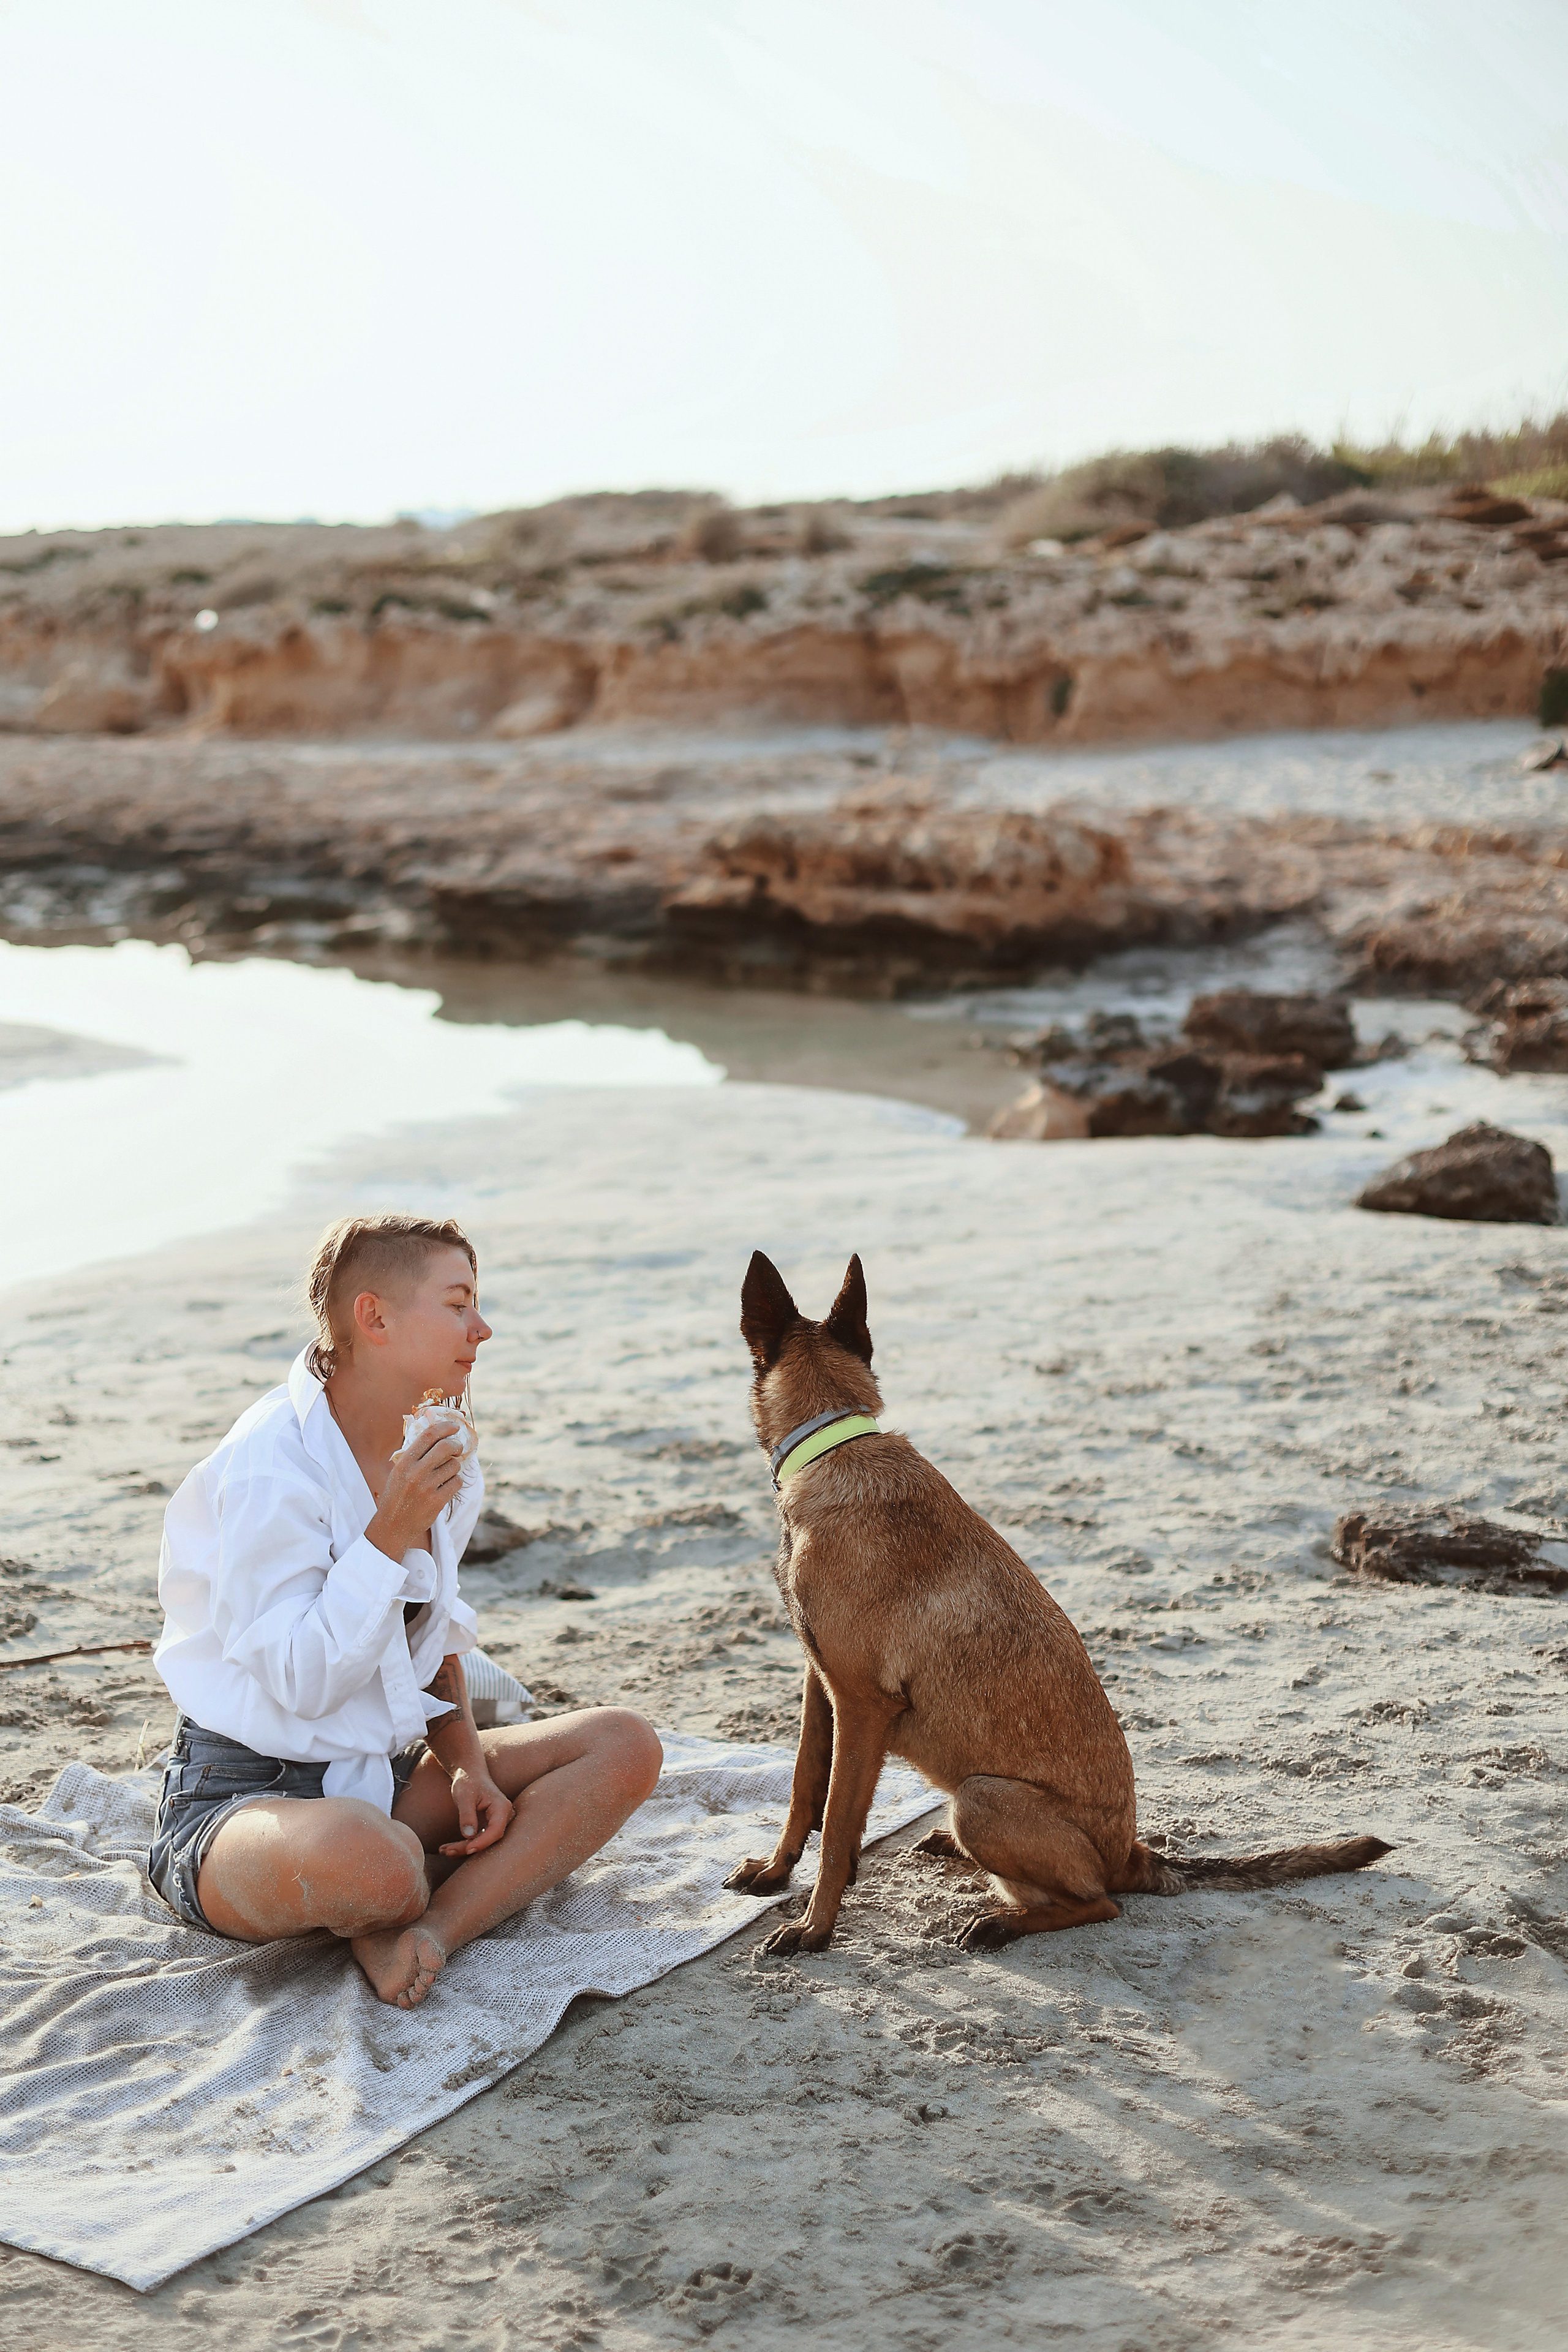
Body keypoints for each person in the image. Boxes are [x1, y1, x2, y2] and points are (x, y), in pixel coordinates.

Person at [149, 1212, 662, 2007]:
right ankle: (393, 1893)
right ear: (375, 1317)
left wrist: (465, 1765)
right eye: (458, 1303)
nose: (482, 1329)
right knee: (375, 1861)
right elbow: (302, 1684)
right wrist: (388, 1531)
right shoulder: (269, 1465)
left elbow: (432, 1639)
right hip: (246, 1796)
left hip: (387, 1774)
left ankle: (429, 1929)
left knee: (624, 1745)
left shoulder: (437, 1440)